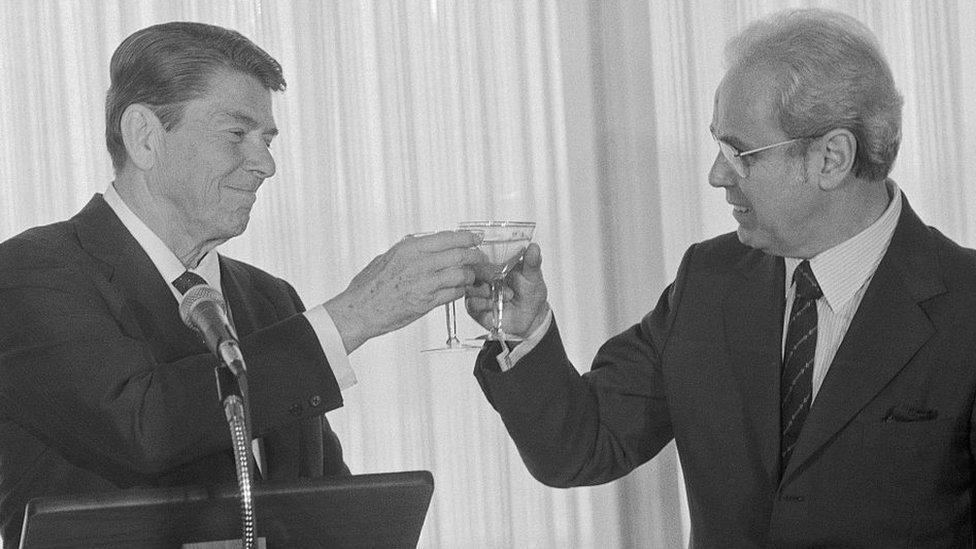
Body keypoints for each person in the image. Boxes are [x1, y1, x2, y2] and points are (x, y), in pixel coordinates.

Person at [467, 8, 976, 547]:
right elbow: (582, 445)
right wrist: (521, 330)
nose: (716, 175)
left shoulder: (967, 307)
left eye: (739, 152)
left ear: (832, 157)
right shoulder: (708, 281)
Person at [0, 22, 482, 547]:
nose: (267, 164)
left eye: (268, 139)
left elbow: (323, 504)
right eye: (237, 134)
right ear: (144, 136)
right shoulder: (33, 274)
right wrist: (354, 315)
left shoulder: (269, 299)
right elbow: (145, 430)